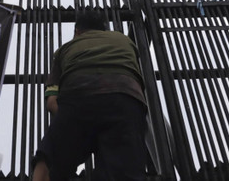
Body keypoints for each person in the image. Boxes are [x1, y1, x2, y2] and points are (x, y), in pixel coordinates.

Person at [32, 11, 147, 181]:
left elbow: (51, 103)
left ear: (77, 31)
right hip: (126, 101)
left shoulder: (65, 49)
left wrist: (73, 125)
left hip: (79, 98)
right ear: (103, 30)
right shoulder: (124, 41)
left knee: (49, 159)